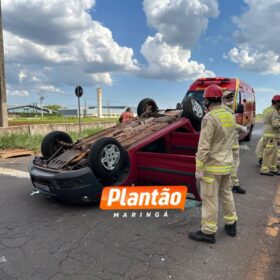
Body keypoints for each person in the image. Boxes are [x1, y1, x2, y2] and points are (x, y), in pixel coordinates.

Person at [189, 84, 238, 244]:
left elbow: (203, 146)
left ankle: (208, 232)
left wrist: (199, 168)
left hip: (212, 167)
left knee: (209, 199)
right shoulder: (229, 115)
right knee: (227, 194)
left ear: (207, 101)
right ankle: (231, 224)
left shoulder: (209, 118)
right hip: (227, 164)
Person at [222, 90, 247, 194]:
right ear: (222, 99)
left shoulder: (227, 110)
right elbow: (229, 126)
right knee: (233, 164)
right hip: (230, 142)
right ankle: (234, 184)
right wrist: (240, 127)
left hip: (228, 142)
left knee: (229, 165)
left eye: (232, 97)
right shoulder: (225, 111)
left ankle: (229, 184)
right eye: (228, 97)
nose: (231, 99)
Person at [260, 95, 280, 176]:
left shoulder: (266, 110)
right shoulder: (274, 111)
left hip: (267, 134)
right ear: (277, 103)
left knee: (273, 153)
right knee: (269, 154)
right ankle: (264, 170)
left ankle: (273, 168)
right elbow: (275, 125)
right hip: (271, 135)